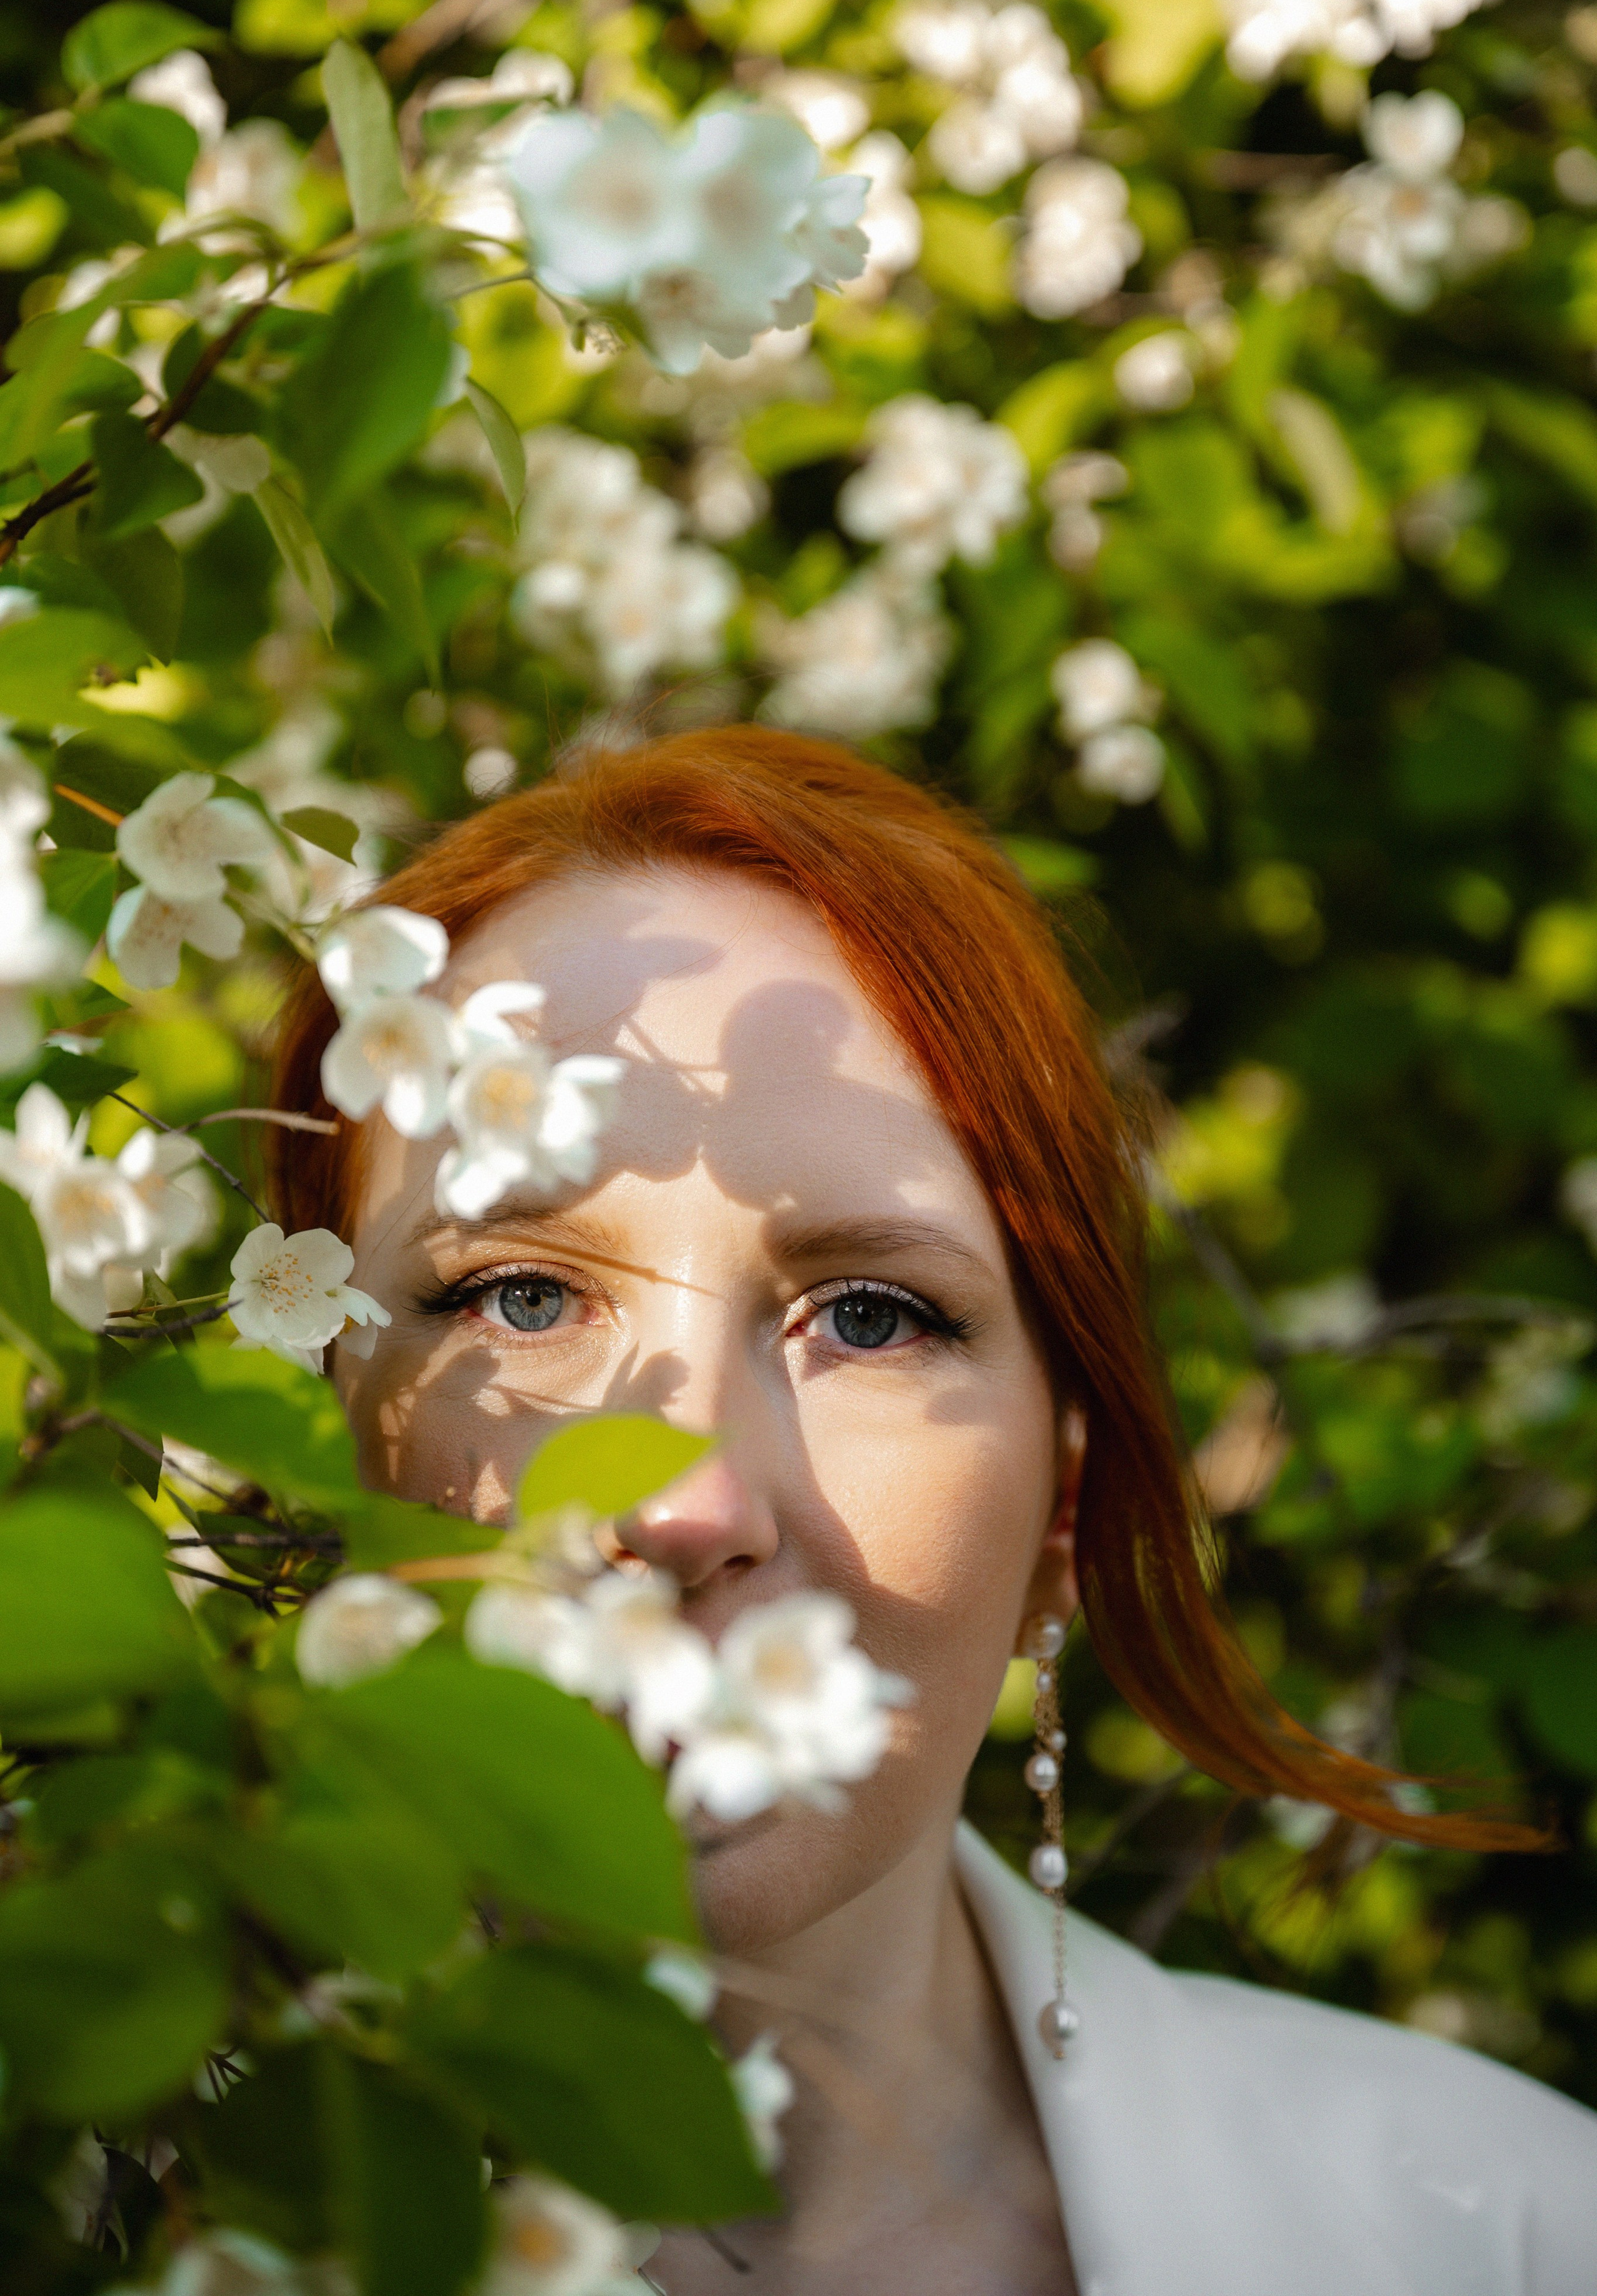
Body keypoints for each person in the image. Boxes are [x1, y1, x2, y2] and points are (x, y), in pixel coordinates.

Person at [269, 727, 1597, 2295]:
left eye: (874, 1318)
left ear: (1063, 1505)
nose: (685, 1500)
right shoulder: (103, 2195)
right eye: (518, 1293)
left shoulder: (1505, 2231)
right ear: (321, 1417)